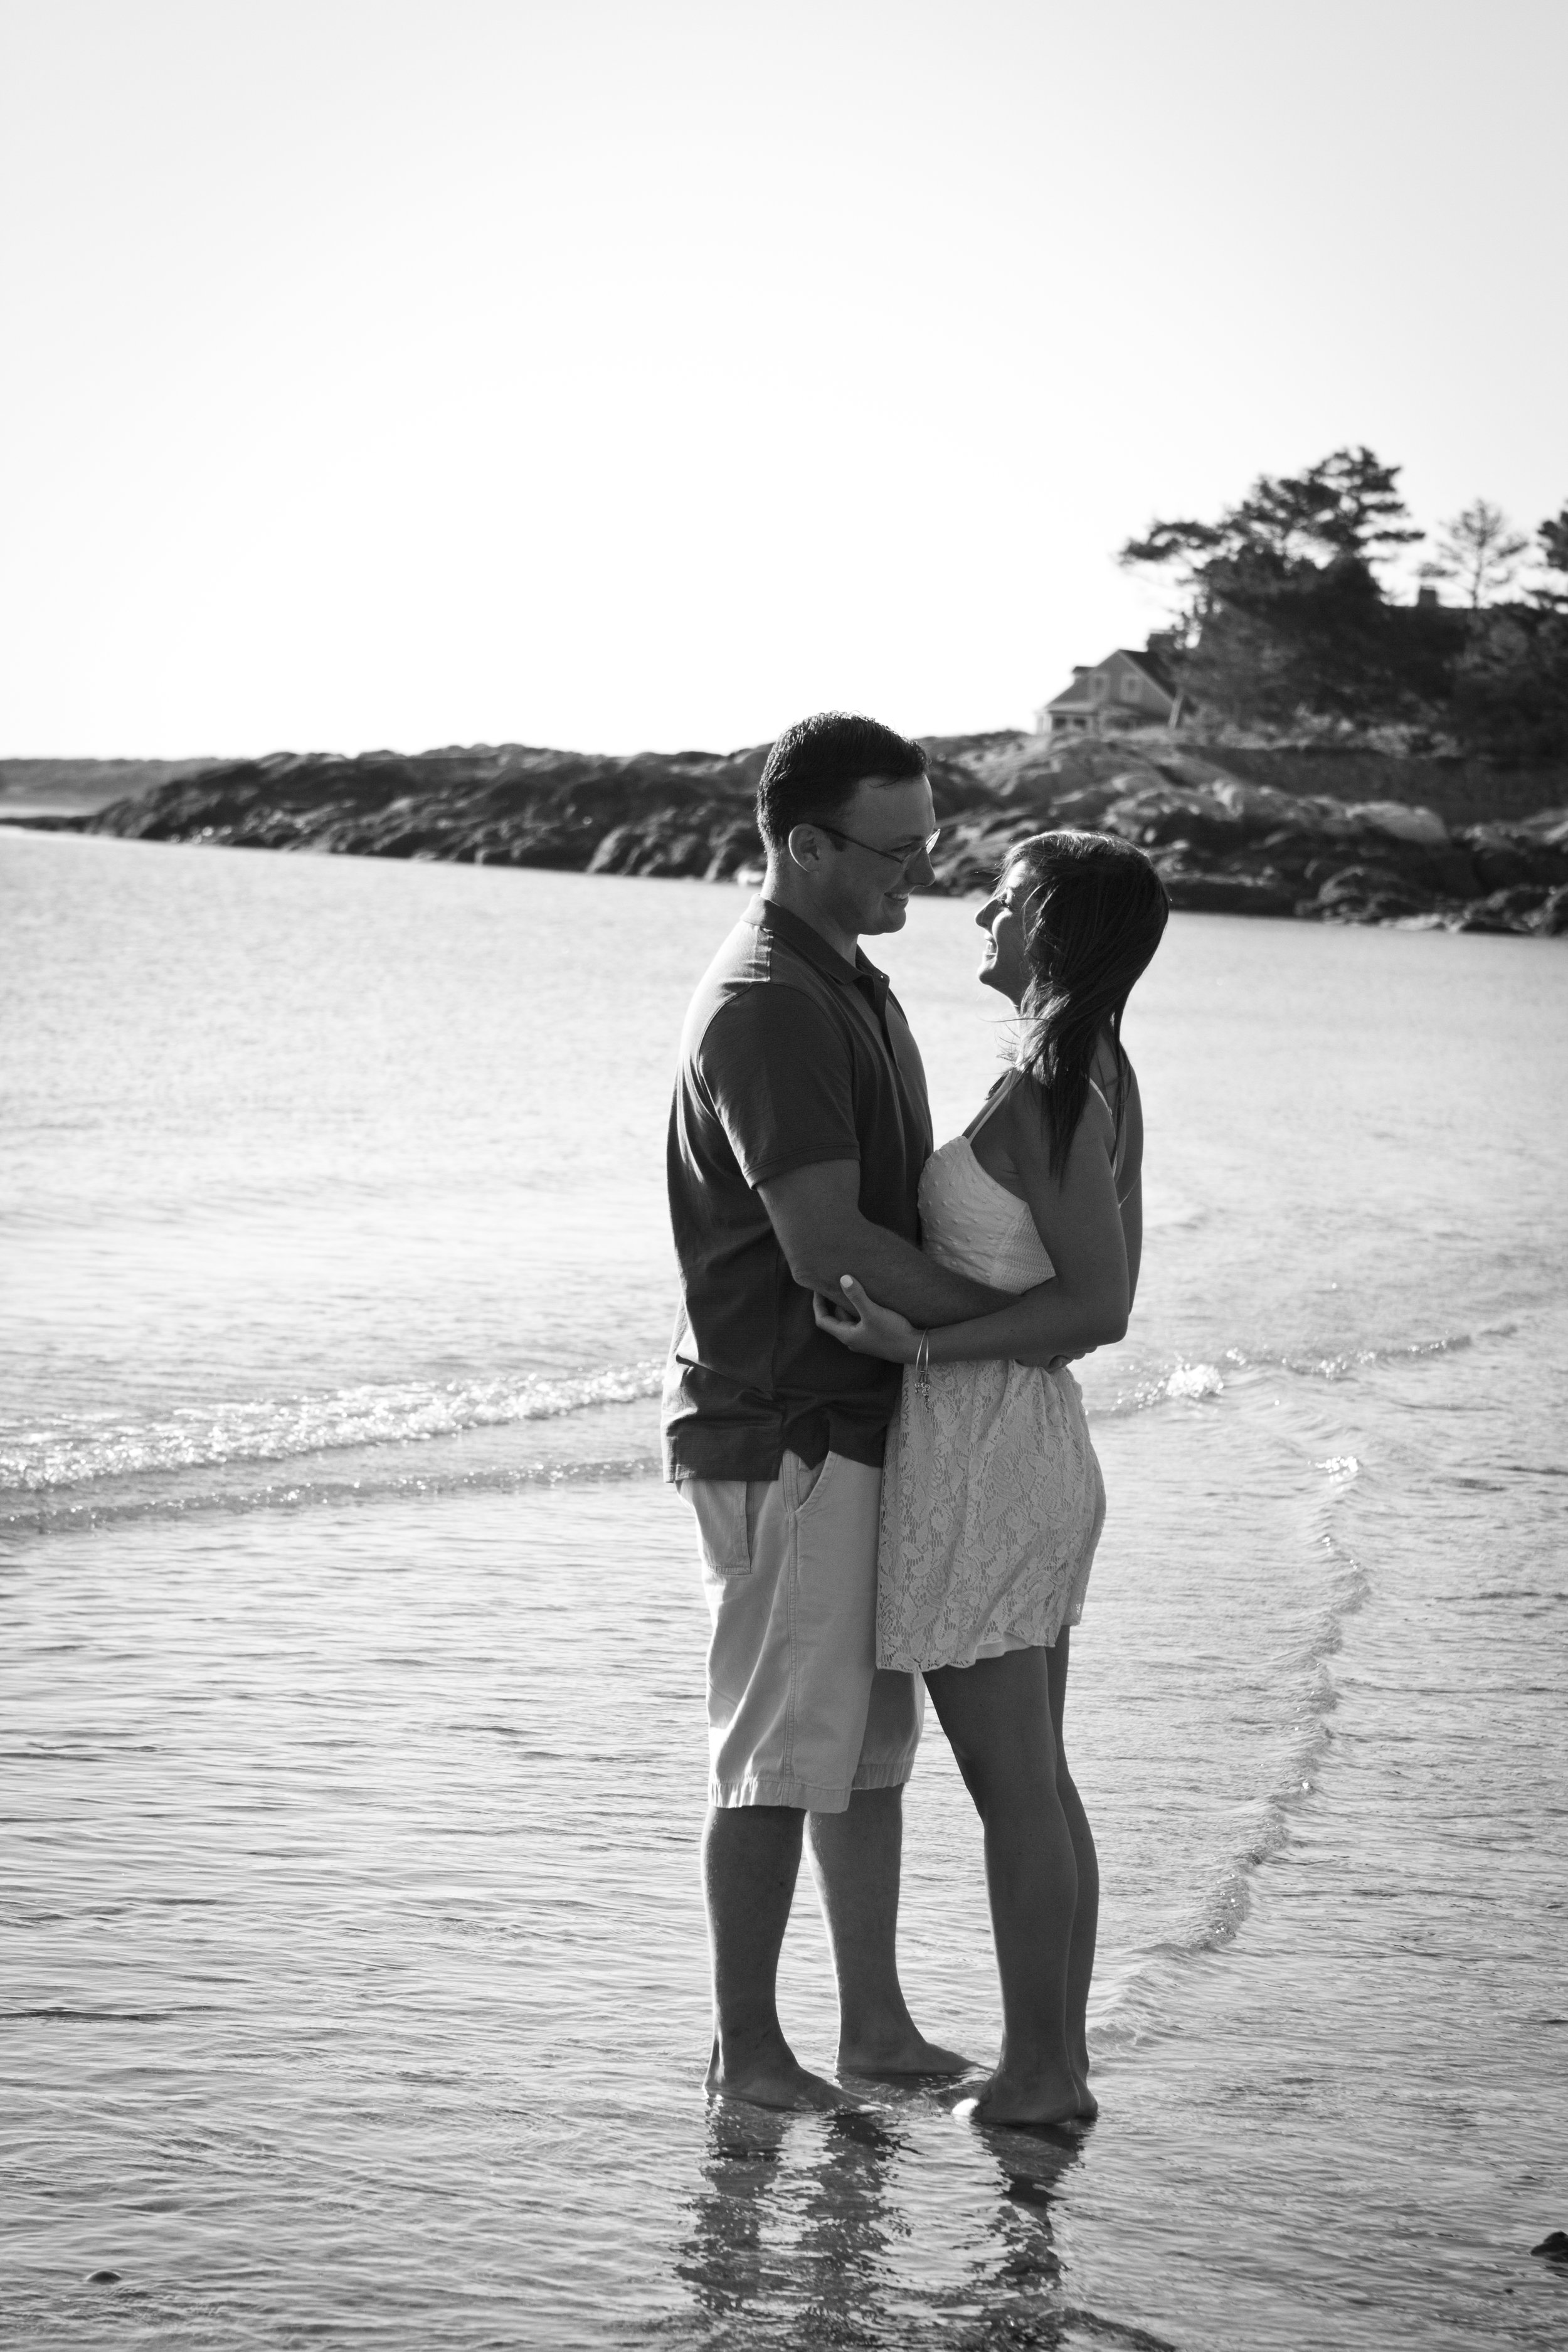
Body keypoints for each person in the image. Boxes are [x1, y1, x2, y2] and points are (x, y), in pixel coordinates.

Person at [664, 712, 1052, 2113]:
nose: (923, 875)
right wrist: (997, 1322)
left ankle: (874, 2031)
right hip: (785, 1429)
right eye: (896, 851)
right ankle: (748, 2053)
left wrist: (960, 1334)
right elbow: (823, 1239)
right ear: (803, 844)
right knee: (777, 1754)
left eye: (931, 845)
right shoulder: (768, 997)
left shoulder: (852, 979)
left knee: (865, 1757)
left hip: (857, 1417)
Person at [815, 830, 1168, 2127]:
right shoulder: (1086, 1070)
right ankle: (1054, 2068)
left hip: (991, 1451)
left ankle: (1036, 2073)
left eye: (1006, 899)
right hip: (1016, 1446)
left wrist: (922, 1341)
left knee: (1015, 1786)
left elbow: (1100, 1302)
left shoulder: (1049, 1085)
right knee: (1039, 1780)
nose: (980, 908)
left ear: (1053, 928)